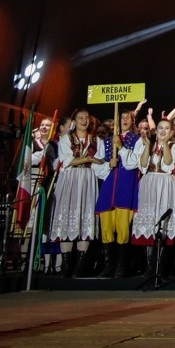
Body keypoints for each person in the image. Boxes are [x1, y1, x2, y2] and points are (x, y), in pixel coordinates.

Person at [49, 107, 110, 277]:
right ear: (74, 122)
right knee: (68, 217)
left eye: (86, 118)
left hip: (87, 180)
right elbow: (67, 161)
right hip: (70, 180)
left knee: (85, 217)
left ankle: (80, 266)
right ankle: (67, 265)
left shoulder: (96, 140)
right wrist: (89, 159)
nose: (84, 120)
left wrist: (103, 163)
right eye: (81, 118)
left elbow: (101, 162)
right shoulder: (66, 139)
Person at [131, 111, 175, 278]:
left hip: (165, 184)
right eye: (160, 128)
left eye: (166, 128)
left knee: (164, 221)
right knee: (150, 222)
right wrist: (147, 146)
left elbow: (169, 164)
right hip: (149, 183)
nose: (163, 131)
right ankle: (150, 265)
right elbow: (142, 166)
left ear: (171, 132)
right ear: (156, 130)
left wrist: (164, 145)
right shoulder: (148, 145)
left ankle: (162, 265)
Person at [94, 102, 145, 277]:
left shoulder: (137, 140)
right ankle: (109, 264)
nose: (124, 120)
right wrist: (109, 164)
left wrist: (121, 148)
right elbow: (97, 165)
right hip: (109, 186)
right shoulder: (106, 141)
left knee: (123, 226)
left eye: (128, 118)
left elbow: (133, 164)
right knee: (106, 225)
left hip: (126, 185)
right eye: (121, 117)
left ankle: (122, 266)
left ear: (132, 121)